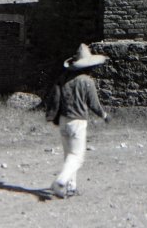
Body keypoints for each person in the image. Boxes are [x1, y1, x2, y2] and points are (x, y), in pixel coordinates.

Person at [45, 43, 110, 198]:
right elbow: (94, 104)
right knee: (77, 157)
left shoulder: (63, 79)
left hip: (63, 120)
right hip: (78, 121)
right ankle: (60, 181)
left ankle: (71, 187)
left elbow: (55, 99)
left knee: (68, 155)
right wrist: (104, 115)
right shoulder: (87, 81)